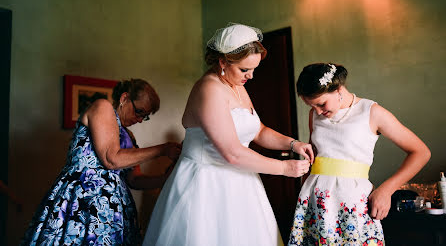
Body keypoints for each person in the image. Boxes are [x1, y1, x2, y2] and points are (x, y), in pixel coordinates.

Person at [143, 23, 314, 246]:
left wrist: (293, 144)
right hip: (207, 185)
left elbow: (258, 130)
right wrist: (284, 168)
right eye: (245, 70)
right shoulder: (209, 89)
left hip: (242, 181)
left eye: (254, 69)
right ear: (223, 61)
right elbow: (232, 153)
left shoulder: (236, 85)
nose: (251, 76)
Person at [21, 78, 181, 245]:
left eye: (145, 117)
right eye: (138, 111)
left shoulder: (128, 136)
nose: (139, 119)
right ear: (124, 98)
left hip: (113, 212)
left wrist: (165, 180)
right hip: (82, 201)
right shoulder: (102, 107)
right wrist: (163, 150)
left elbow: (134, 179)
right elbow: (111, 159)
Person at [288, 63, 431, 245]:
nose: (317, 111)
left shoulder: (372, 112)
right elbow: (314, 156)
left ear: (339, 89)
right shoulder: (314, 115)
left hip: (352, 202)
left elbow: (421, 152)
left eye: (321, 104)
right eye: (311, 106)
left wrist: (387, 190)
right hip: (316, 204)